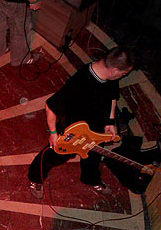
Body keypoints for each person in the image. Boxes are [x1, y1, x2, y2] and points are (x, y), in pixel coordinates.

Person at [27, 47, 134, 199]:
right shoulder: (81, 82)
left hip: (97, 131)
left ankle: (91, 179)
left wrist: (110, 122)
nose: (124, 76)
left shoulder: (111, 78)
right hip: (73, 132)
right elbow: (50, 106)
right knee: (54, 156)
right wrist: (53, 133)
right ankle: (36, 178)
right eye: (124, 73)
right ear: (114, 70)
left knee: (93, 159)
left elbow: (112, 98)